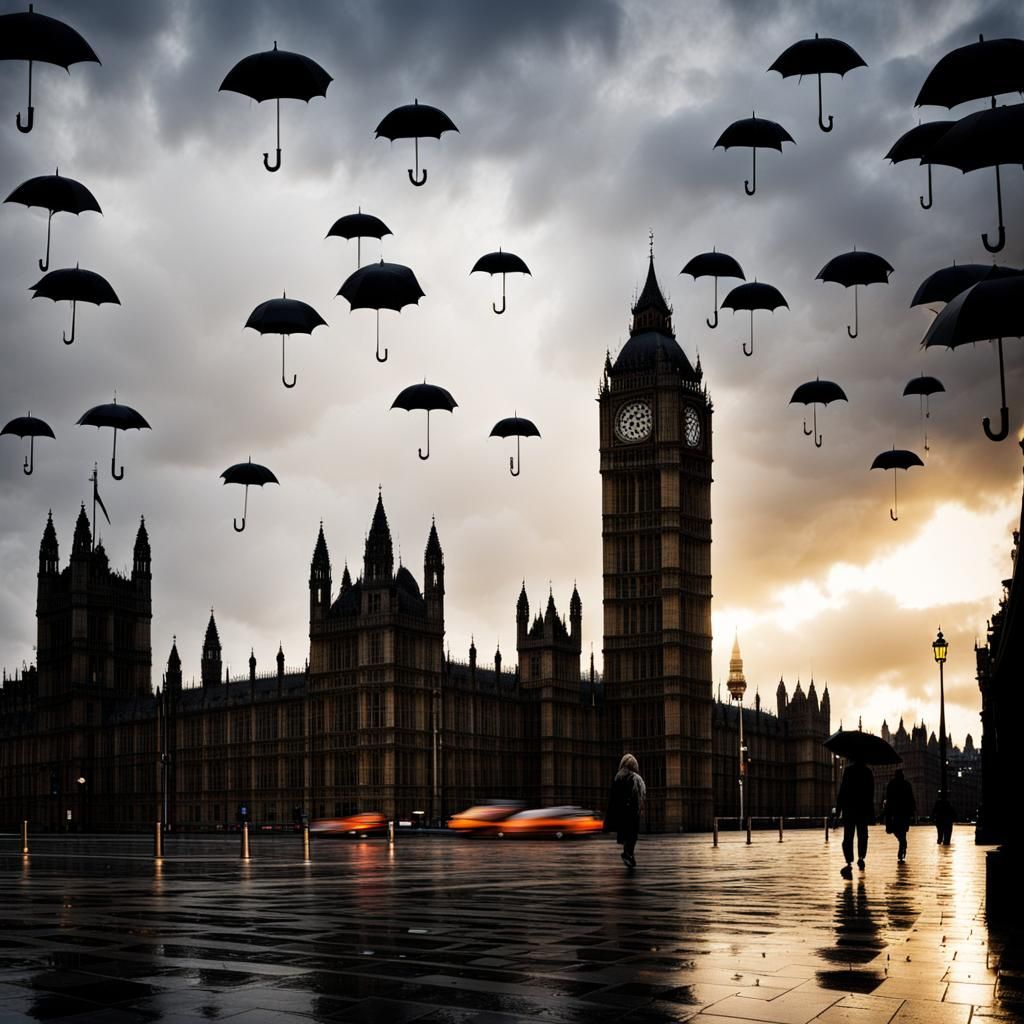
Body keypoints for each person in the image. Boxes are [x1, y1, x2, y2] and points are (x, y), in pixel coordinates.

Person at [603, 753, 646, 868]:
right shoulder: (636, 779)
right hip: (631, 812)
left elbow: (613, 798)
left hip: (621, 811)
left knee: (625, 834)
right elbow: (638, 797)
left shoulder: (618, 777)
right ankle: (628, 854)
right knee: (632, 835)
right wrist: (639, 809)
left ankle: (628, 854)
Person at [835, 758, 874, 880]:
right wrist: (871, 812)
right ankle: (861, 857)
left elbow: (842, 791)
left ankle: (848, 862)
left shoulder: (848, 771)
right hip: (862, 810)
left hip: (849, 810)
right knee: (863, 835)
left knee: (848, 837)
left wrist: (838, 811)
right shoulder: (868, 772)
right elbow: (870, 794)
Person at [883, 769, 916, 862]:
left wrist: (887, 811)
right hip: (904, 811)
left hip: (895, 812)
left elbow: (888, 798)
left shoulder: (891, 784)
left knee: (895, 829)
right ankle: (902, 843)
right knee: (902, 831)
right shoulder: (907, 784)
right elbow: (911, 798)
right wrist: (913, 811)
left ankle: (902, 844)